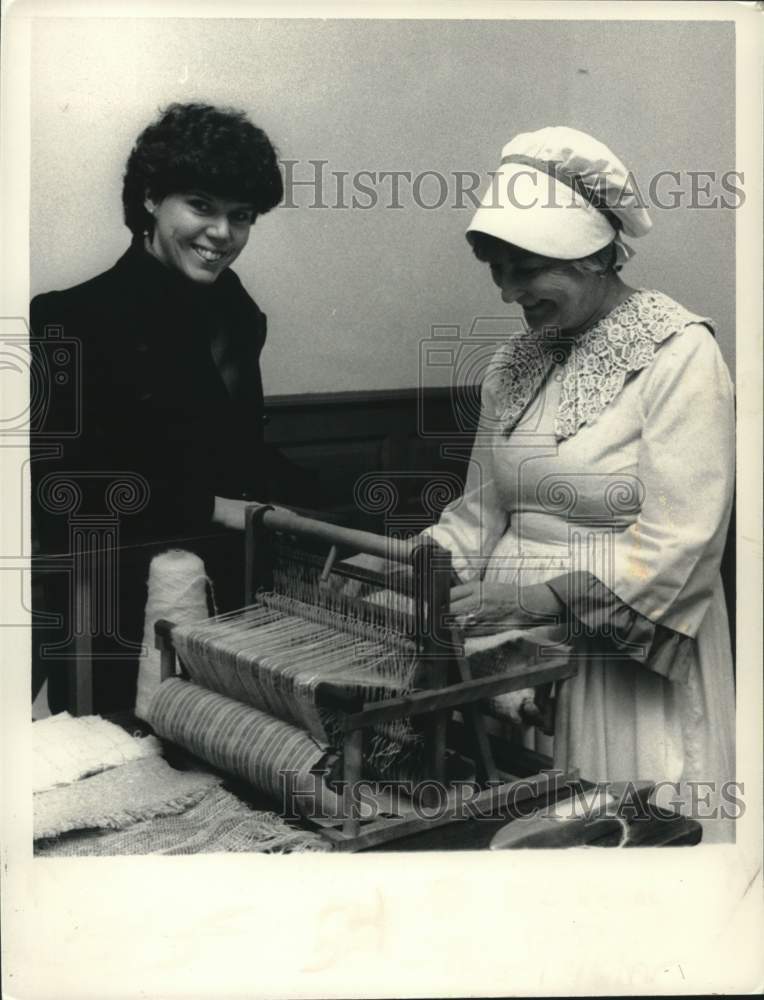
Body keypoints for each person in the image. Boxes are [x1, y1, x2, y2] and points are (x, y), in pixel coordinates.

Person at [426, 127, 736, 839]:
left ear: (594, 252)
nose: (509, 292)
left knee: (615, 837)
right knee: (525, 834)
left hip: (612, 660)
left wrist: (536, 600)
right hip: (512, 659)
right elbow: (480, 512)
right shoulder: (513, 364)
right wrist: (419, 569)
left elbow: (682, 542)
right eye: (497, 269)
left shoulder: (680, 353)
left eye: (526, 267)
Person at [31, 102, 311, 714]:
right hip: (111, 612)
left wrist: (344, 527)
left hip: (234, 607)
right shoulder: (69, 318)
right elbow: (62, 488)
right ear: (153, 199)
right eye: (202, 206)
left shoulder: (237, 313)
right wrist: (209, 505)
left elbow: (241, 452)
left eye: (241, 217)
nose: (222, 235)